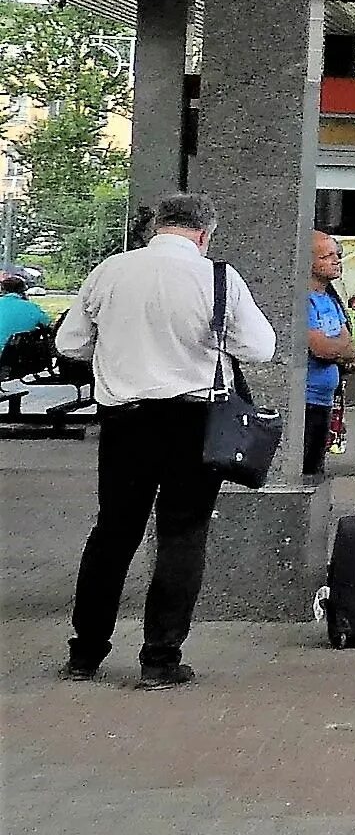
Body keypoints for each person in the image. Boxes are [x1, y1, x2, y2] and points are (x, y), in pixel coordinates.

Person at [56, 193, 275, 687]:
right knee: (182, 535)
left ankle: (85, 654)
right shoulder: (219, 277)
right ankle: (160, 658)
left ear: (157, 227)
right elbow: (261, 348)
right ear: (204, 234)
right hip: (193, 424)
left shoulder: (109, 271)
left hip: (124, 422)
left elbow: (68, 343)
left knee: (112, 534)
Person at [303, 232, 353, 480]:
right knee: (307, 466)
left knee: (317, 466)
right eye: (327, 256)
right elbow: (320, 348)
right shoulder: (306, 300)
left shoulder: (330, 298)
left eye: (338, 255)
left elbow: (349, 346)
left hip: (325, 399)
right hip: (306, 399)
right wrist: (339, 348)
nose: (336, 261)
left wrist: (339, 348)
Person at [0, 273, 49, 352]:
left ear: (2, 290)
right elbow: (47, 323)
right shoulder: (32, 307)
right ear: (23, 291)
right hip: (24, 357)